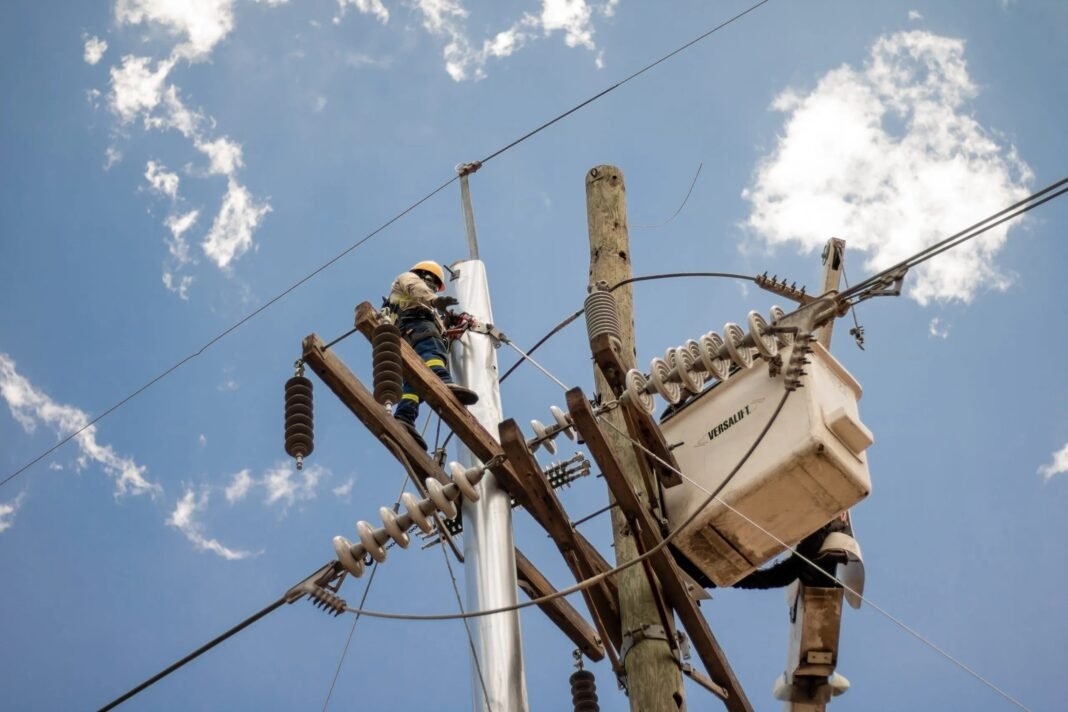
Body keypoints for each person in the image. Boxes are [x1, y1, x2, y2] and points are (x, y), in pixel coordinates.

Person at [388, 260, 478, 449]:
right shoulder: (409, 279)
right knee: (433, 350)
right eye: (434, 284)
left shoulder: (424, 301)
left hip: (405, 336)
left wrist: (449, 320)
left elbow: (437, 320)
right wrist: (435, 301)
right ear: (426, 276)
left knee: (414, 382)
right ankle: (443, 380)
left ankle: (405, 417)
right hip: (415, 324)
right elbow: (416, 289)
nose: (434, 289)